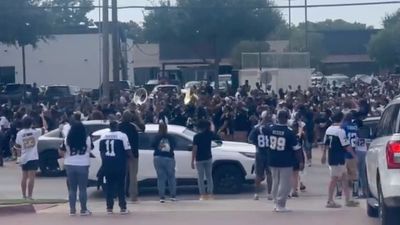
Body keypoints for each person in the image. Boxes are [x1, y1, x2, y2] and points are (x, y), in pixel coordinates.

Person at [267, 110, 303, 212]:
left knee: (275, 181)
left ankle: (275, 202)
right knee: (285, 183)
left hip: (272, 159)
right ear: (287, 118)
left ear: (277, 117)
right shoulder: (289, 132)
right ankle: (281, 204)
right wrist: (300, 161)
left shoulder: (270, 129)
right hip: (285, 160)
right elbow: (296, 149)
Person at [321, 112, 359, 208]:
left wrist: (324, 155)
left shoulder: (329, 129)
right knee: (334, 179)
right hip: (338, 157)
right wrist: (354, 156)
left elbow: (325, 143)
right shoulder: (340, 131)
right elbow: (347, 146)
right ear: (341, 119)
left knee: (344, 178)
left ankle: (348, 199)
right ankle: (330, 200)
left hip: (332, 155)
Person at [59, 121, 93, 216]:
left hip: (70, 164)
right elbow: (90, 149)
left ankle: (72, 210)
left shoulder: (67, 139)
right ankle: (83, 209)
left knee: (72, 189)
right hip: (83, 164)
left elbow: (61, 152)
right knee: (83, 189)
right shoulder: (88, 139)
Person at [99, 121, 133, 214]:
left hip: (107, 164)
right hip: (119, 163)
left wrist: (105, 161)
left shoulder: (103, 136)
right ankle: (123, 207)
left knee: (109, 186)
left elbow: (101, 151)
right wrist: (131, 158)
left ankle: (109, 208)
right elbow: (128, 150)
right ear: (117, 126)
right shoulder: (122, 135)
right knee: (120, 186)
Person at [14, 117, 43, 200]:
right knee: (31, 178)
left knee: (24, 177)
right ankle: (30, 195)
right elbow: (44, 129)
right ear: (31, 123)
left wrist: (18, 156)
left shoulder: (19, 133)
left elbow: (17, 146)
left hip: (24, 157)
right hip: (33, 157)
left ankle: (23, 195)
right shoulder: (35, 132)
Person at [192, 119, 220, 200]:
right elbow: (215, 135)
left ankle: (202, 193)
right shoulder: (210, 134)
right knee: (209, 176)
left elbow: (195, 149)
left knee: (200, 177)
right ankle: (210, 192)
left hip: (199, 159)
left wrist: (192, 160)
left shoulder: (196, 137)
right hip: (208, 157)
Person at [248, 110, 273, 201]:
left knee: (258, 174)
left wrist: (256, 143)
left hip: (259, 152)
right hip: (269, 152)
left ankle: (256, 193)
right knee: (269, 173)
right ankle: (269, 193)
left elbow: (250, 139)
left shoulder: (256, 128)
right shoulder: (271, 127)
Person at [152, 121, 177, 203]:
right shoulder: (170, 137)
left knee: (160, 178)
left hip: (158, 158)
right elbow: (174, 145)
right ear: (166, 128)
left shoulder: (156, 137)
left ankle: (162, 197)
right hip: (169, 158)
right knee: (171, 177)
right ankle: (173, 196)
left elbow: (152, 145)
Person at [118, 111, 140, 202]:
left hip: (122, 154)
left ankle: (121, 195)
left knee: (122, 175)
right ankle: (133, 196)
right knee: (133, 176)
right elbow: (136, 141)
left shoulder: (119, 127)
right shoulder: (133, 127)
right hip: (133, 154)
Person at [341, 112, 359, 198]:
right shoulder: (355, 126)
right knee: (354, 173)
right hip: (353, 151)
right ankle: (355, 192)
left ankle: (340, 192)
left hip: (344, 152)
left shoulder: (343, 127)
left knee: (342, 173)